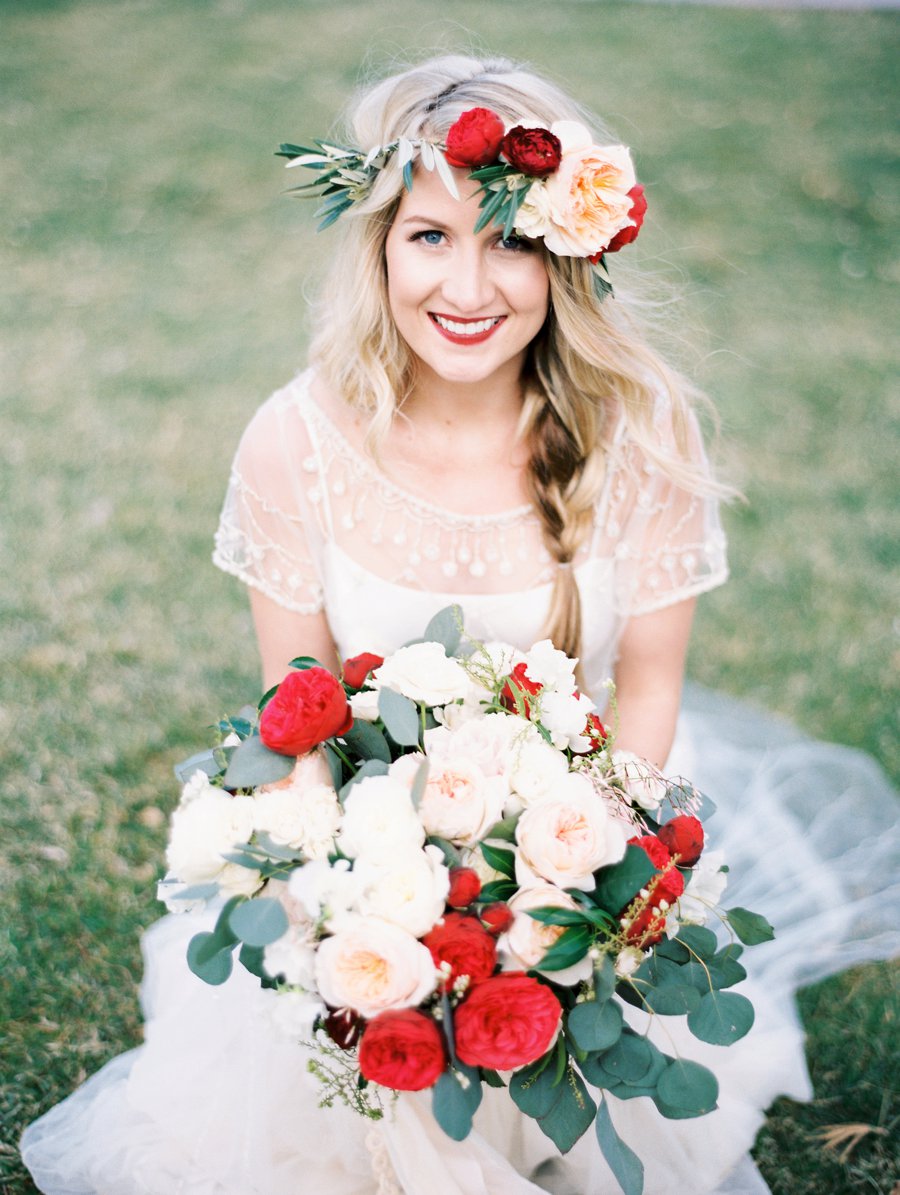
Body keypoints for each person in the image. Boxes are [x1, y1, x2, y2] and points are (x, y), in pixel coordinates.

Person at [20, 53, 899, 1195]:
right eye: (429, 235)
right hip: (367, 846)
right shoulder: (296, 442)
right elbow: (302, 710)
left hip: (579, 828)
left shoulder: (642, 435)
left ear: (568, 255)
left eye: (511, 240)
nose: (469, 286)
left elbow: (647, 690)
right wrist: (358, 914)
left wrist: (571, 903)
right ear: (377, 244)